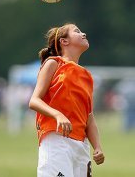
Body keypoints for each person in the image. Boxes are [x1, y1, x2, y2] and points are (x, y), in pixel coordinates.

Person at [29, 23, 105, 177]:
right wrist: (58, 115)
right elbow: (34, 101)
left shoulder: (87, 76)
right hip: (56, 140)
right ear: (64, 41)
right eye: (77, 31)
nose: (83, 33)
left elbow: (89, 118)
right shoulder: (53, 63)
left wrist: (97, 146)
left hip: (81, 145)